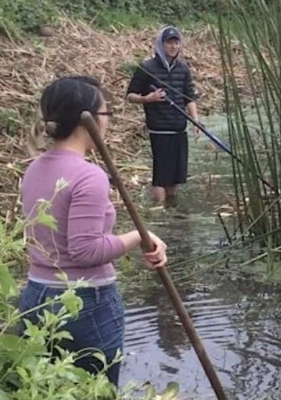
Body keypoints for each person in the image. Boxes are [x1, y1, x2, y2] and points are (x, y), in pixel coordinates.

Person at [19, 76, 169, 388]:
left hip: (36, 297)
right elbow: (85, 251)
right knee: (96, 391)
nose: (108, 123)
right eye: (106, 114)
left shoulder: (34, 168)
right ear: (87, 120)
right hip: (84, 304)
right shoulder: (90, 176)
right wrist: (141, 237)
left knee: (49, 390)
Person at [126, 25, 200, 207]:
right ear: (161, 44)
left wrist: (196, 122)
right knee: (161, 176)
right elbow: (130, 96)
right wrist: (148, 98)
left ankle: (172, 210)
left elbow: (189, 97)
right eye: (169, 43)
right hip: (159, 129)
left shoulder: (182, 68)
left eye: (176, 42)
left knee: (175, 177)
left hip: (179, 128)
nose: (173, 47)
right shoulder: (147, 67)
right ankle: (160, 211)